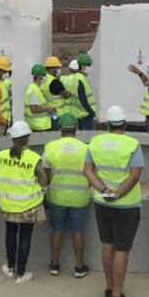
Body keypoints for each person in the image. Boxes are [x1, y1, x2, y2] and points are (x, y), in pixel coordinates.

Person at [84, 105, 144, 297]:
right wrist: (118, 193)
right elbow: (135, 175)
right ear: (124, 124)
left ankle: (109, 288)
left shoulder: (95, 142)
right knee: (122, 249)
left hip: (102, 202)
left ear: (107, 124)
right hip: (126, 205)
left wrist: (103, 189)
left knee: (107, 244)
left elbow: (87, 170)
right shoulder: (132, 144)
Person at [0, 120, 49, 284]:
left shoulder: (1, 155)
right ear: (28, 138)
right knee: (25, 237)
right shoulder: (34, 158)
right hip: (28, 205)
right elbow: (43, 180)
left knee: (10, 234)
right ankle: (21, 273)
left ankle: (10, 268)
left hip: (7, 203)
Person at [42, 112, 92, 278]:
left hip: (57, 197)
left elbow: (45, 174)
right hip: (80, 198)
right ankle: (79, 267)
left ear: (60, 129)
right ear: (76, 129)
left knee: (57, 230)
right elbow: (91, 173)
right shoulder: (86, 148)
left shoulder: (50, 147)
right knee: (78, 231)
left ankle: (54, 265)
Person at [67, 55, 97, 131]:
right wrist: (91, 112)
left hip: (79, 114)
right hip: (85, 115)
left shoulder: (78, 77)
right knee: (88, 138)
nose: (89, 67)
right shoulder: (80, 79)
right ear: (83, 66)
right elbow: (82, 98)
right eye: (88, 65)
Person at [23, 64, 53, 132]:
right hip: (39, 126)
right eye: (44, 75)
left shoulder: (37, 88)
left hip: (39, 125)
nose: (45, 77)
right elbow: (34, 109)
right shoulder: (33, 90)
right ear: (39, 76)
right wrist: (48, 109)